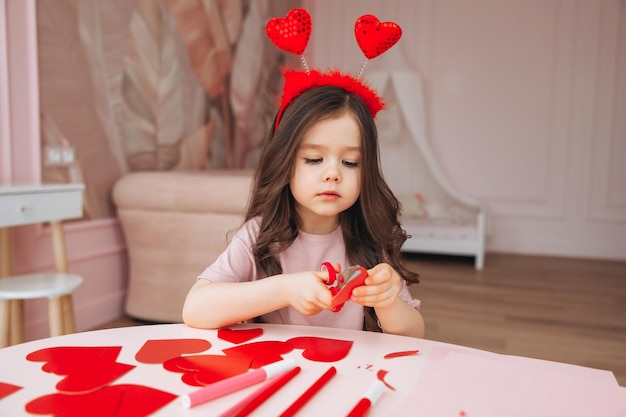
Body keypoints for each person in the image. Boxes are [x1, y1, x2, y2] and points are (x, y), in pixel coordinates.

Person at [182, 75, 425, 338]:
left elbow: (414, 335)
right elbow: (196, 308)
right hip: (275, 369)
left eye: (350, 162)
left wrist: (387, 302)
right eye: (314, 159)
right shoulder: (258, 236)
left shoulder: (369, 240)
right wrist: (285, 289)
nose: (333, 173)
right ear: (284, 163)